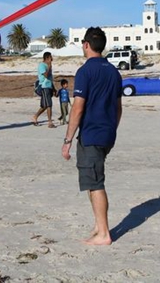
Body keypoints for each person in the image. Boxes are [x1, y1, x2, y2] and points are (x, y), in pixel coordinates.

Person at [61, 27, 123, 246]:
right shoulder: (114, 72)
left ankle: (104, 233)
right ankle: (99, 225)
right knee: (92, 180)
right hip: (106, 133)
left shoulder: (85, 71)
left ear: (86, 45)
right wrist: (112, 129)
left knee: (95, 182)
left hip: (91, 134)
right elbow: (118, 108)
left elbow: (77, 108)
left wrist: (67, 140)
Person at [32, 51, 56, 128]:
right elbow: (46, 75)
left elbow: (50, 78)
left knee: (44, 105)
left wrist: (54, 88)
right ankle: (50, 122)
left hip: (49, 86)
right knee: (49, 104)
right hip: (44, 86)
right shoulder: (42, 65)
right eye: (51, 57)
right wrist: (49, 66)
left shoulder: (49, 66)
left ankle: (35, 117)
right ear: (47, 58)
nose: (52, 59)